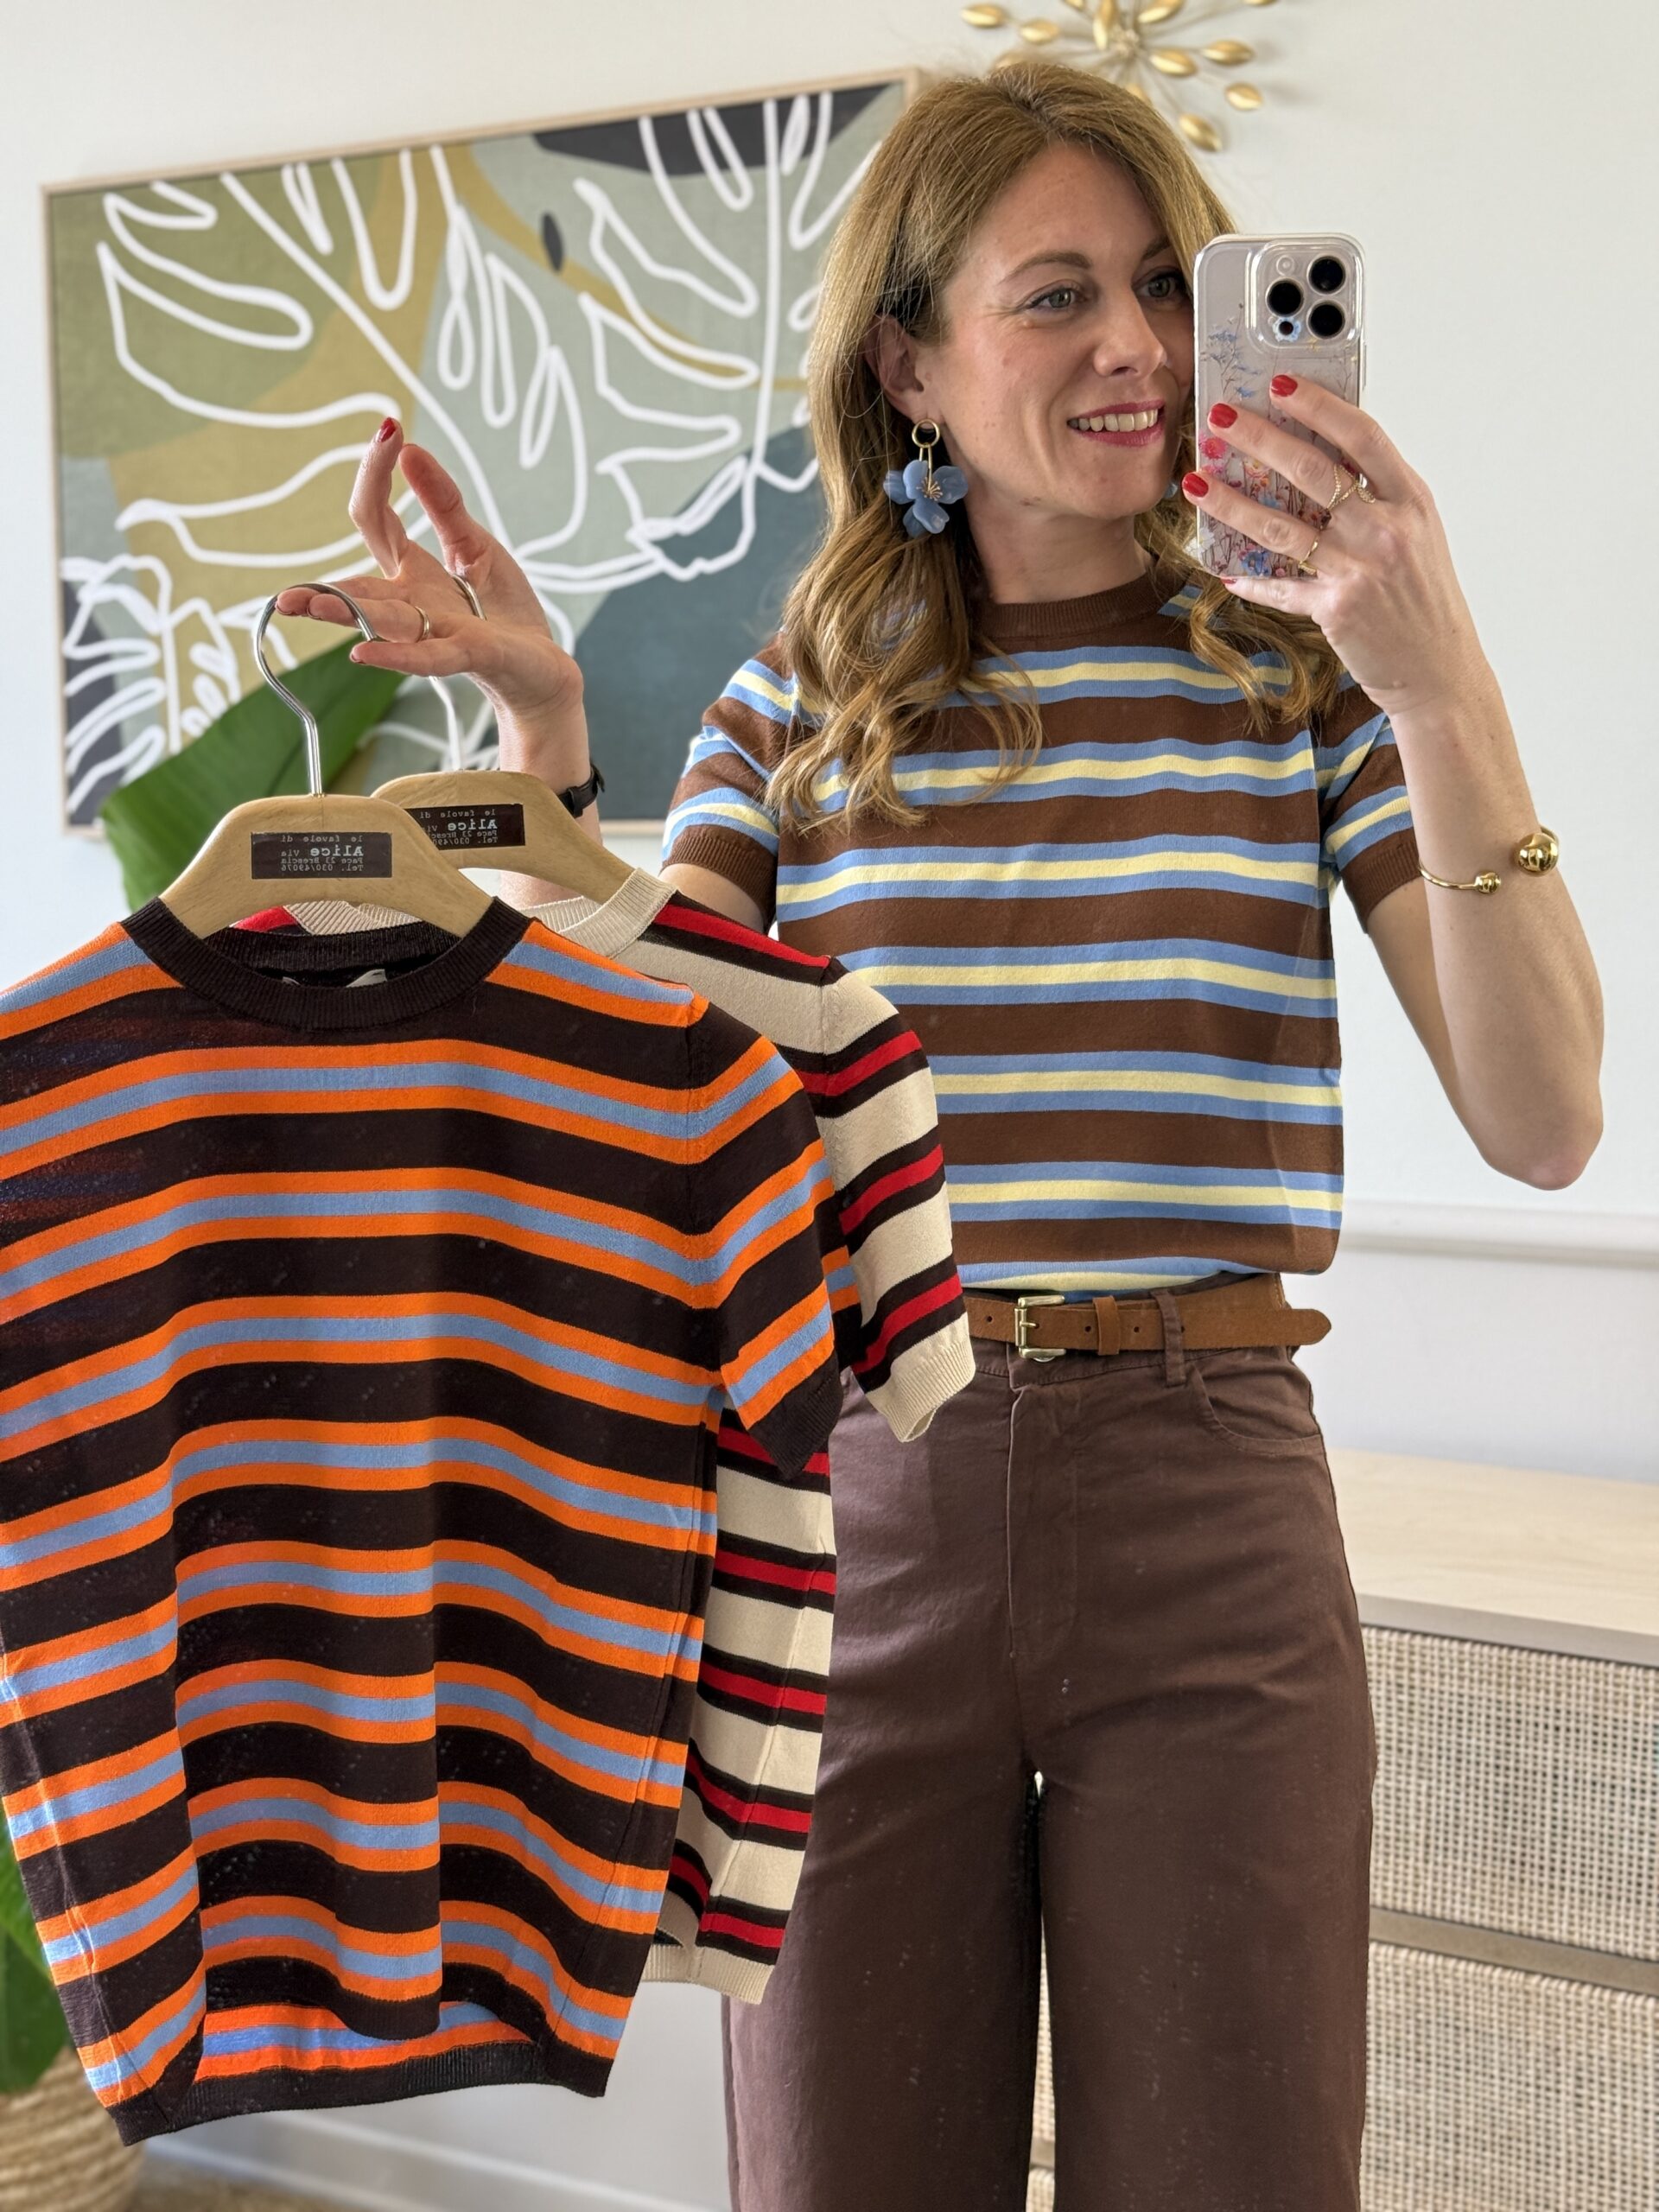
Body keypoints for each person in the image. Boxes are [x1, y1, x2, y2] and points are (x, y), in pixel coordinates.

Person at [278, 57, 1602, 2212]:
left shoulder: (1305, 682)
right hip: (854, 1517)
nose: (1138, 346)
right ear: (909, 363)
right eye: (1056, 294)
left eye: (1165, 285)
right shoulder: (792, 709)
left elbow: (1546, 1122)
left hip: (1210, 1509)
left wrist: (1438, 681)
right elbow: (619, 1104)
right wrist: (545, 742)